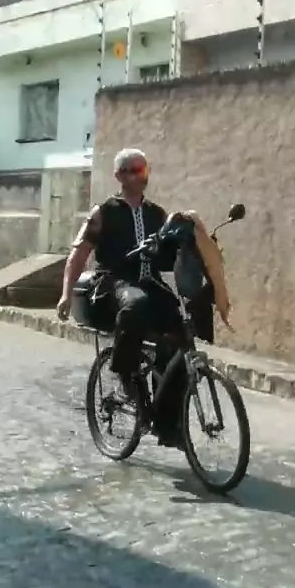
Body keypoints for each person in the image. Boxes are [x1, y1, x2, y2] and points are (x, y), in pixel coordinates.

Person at [57, 148, 185, 448]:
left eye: (143, 169)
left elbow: (171, 253)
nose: (141, 175)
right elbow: (78, 254)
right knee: (135, 304)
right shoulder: (104, 212)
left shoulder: (157, 214)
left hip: (149, 281)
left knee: (178, 330)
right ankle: (124, 374)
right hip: (114, 282)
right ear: (119, 176)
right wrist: (65, 294)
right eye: (134, 170)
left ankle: (167, 422)